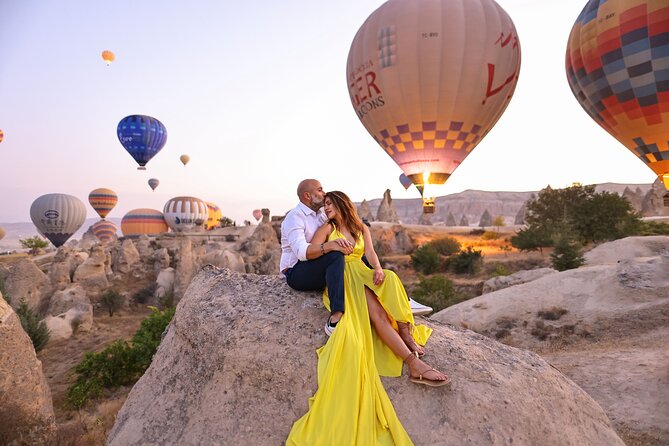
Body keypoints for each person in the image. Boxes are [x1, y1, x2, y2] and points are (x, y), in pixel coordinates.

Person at [286, 191, 450, 445]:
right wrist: (331, 246)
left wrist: (377, 269)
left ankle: (406, 331)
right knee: (376, 319)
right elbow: (316, 252)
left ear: (342, 204)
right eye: (324, 203)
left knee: (391, 277)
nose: (325, 208)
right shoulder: (327, 228)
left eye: (329, 204)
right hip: (343, 279)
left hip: (362, 274)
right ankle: (413, 362)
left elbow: (371, 253)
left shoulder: (360, 227)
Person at [280, 179, 354, 335]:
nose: (324, 193)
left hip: (315, 266)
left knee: (356, 255)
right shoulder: (295, 217)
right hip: (296, 272)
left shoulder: (320, 215)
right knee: (335, 254)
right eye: (320, 190)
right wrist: (330, 246)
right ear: (307, 195)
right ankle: (336, 315)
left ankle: (390, 296)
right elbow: (301, 252)